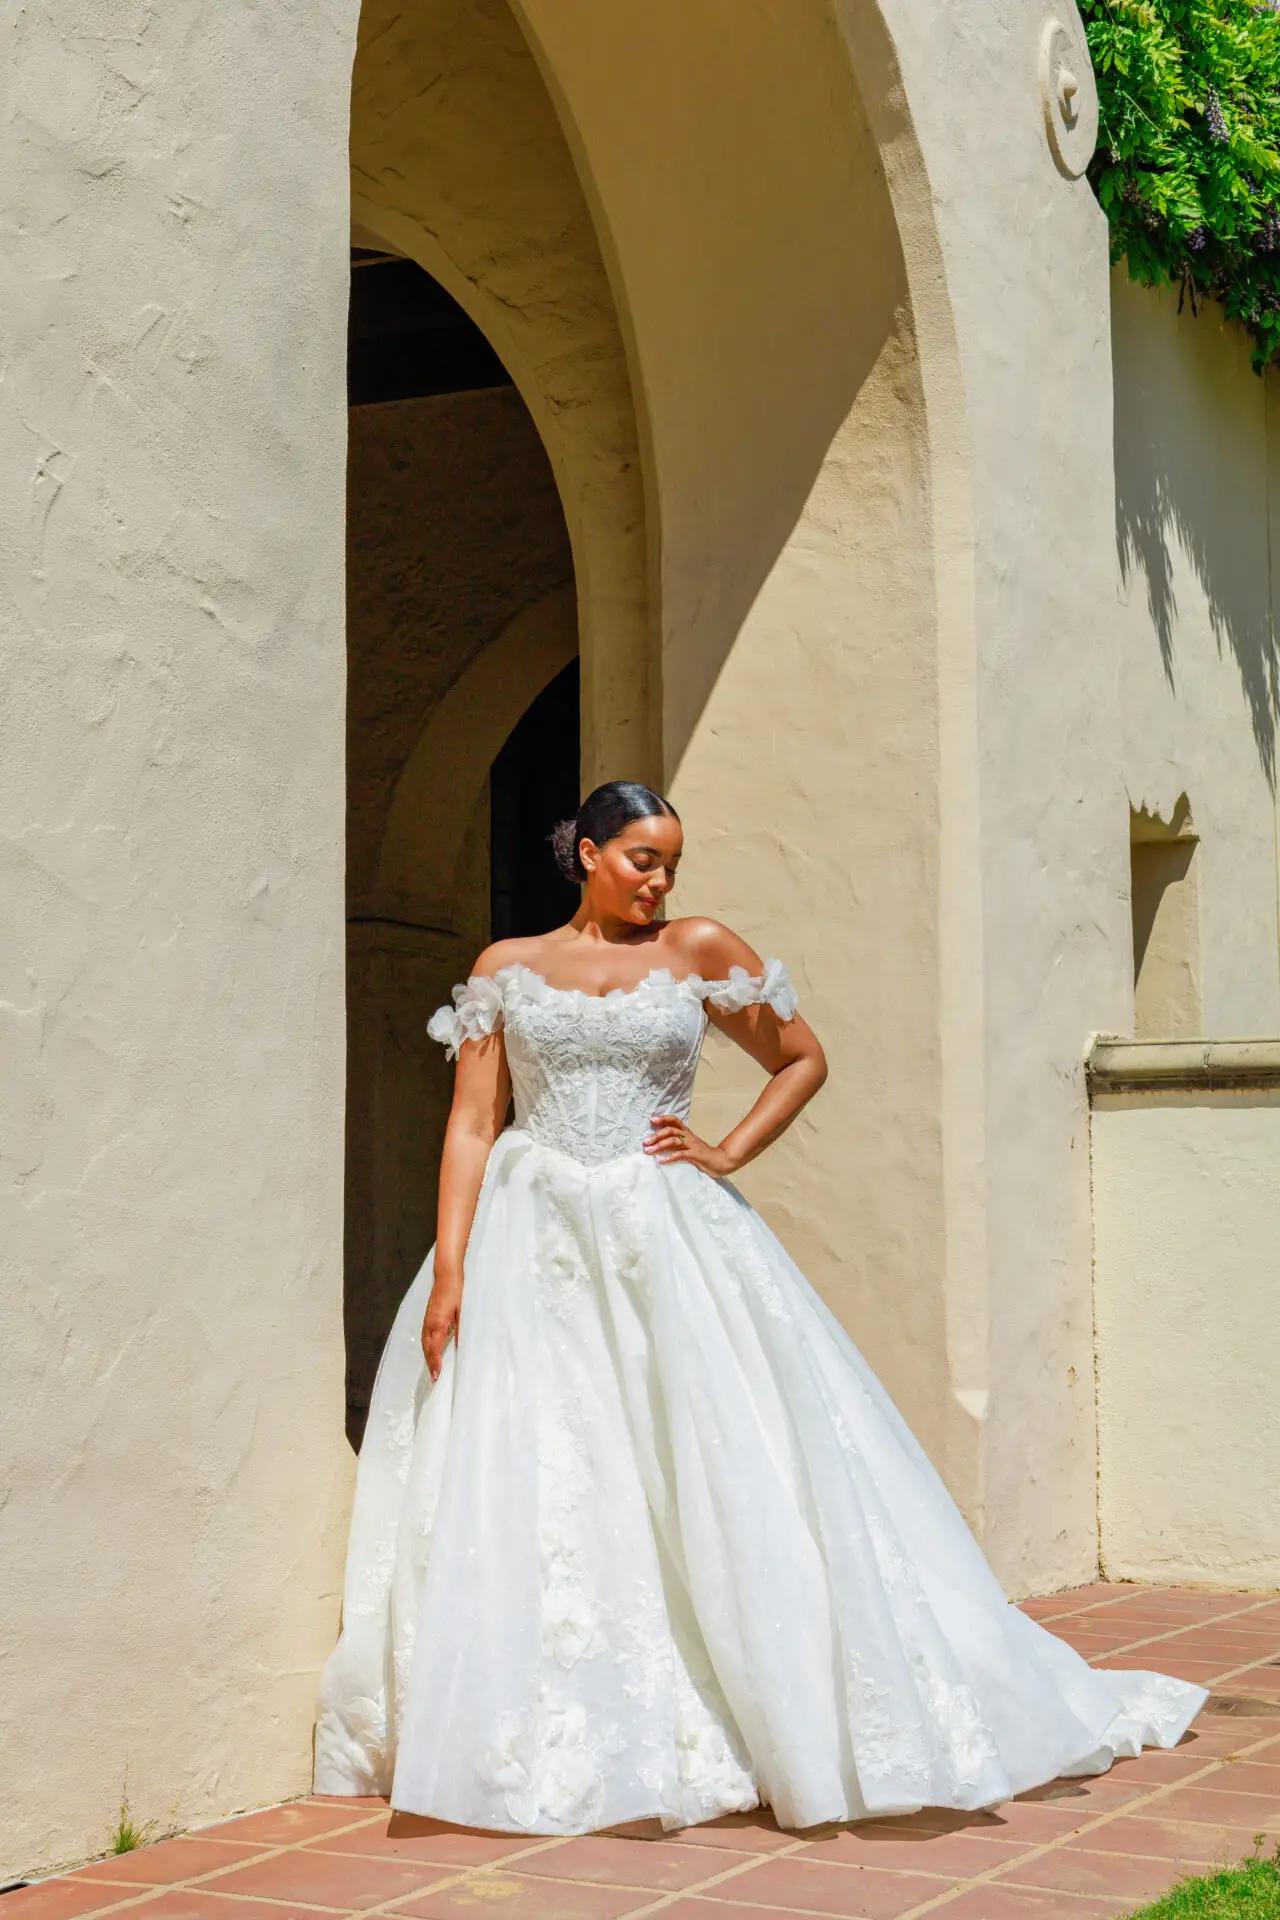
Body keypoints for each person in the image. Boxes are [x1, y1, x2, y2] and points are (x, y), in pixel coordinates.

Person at [312, 778, 1209, 1837]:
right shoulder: (506, 969)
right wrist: (452, 1265)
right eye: (642, 857)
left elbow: (800, 1057)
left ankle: (758, 1700)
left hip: (668, 1236)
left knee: (708, 1450)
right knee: (554, 1458)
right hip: (533, 1235)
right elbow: (472, 1122)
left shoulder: (695, 950)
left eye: (671, 863)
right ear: (587, 852)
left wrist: (726, 1148)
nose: (660, 880)